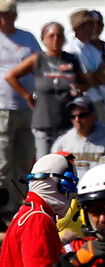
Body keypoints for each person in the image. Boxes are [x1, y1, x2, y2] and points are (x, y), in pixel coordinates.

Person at [5, 21, 88, 158]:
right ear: (43, 39)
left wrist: (78, 88)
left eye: (59, 36)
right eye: (51, 36)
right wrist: (27, 96)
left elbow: (85, 83)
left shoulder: (70, 59)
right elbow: (10, 76)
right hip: (44, 122)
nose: (55, 40)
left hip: (67, 122)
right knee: (45, 163)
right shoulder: (38, 59)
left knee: (67, 162)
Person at [0, 0, 40, 221]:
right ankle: (3, 208)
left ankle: (19, 206)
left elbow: (42, 63)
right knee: (2, 161)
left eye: (7, 14)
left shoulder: (27, 38)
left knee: (24, 160)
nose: (4, 18)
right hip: (1, 108)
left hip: (27, 107)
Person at [50, 95, 105, 177]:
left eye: (82, 115)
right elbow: (53, 170)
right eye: (73, 116)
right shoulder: (62, 142)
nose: (77, 120)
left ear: (93, 116)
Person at [64, 9, 105, 122]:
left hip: (99, 100)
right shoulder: (71, 50)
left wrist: (93, 76)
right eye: (90, 24)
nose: (94, 27)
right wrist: (96, 76)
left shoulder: (91, 48)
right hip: (84, 104)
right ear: (79, 27)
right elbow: (85, 80)